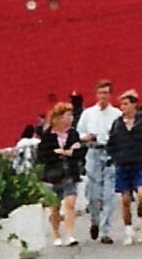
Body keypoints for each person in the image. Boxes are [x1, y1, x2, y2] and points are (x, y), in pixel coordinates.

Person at [104, 90, 142, 243]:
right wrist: (114, 157)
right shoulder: (117, 123)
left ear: (134, 104)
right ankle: (128, 230)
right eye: (122, 104)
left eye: (126, 104)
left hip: (139, 162)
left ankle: (141, 217)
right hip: (122, 164)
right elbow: (111, 143)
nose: (123, 107)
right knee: (125, 199)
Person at [75, 79, 120, 242]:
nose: (103, 96)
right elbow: (78, 134)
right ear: (96, 94)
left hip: (109, 153)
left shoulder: (117, 115)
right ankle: (95, 220)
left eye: (106, 93)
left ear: (110, 95)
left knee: (109, 194)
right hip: (93, 152)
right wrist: (86, 137)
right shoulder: (88, 114)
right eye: (101, 93)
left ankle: (105, 231)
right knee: (93, 193)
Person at [35, 103, 84, 245]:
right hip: (53, 174)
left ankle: (69, 235)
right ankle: (56, 234)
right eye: (67, 115)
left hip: (70, 172)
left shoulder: (73, 134)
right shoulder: (48, 136)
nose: (71, 118)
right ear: (58, 118)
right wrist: (58, 153)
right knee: (54, 206)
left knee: (70, 203)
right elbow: (42, 155)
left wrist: (70, 153)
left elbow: (80, 151)